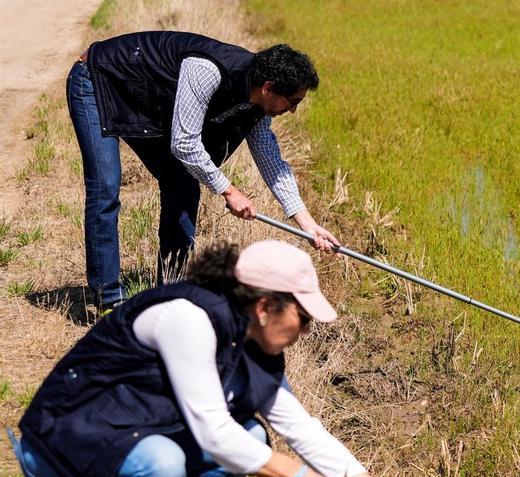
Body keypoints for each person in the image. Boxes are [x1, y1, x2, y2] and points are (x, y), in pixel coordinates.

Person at [12, 240, 439, 477]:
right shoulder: (188, 318)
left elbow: (303, 431)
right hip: (61, 448)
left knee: (251, 438)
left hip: (124, 434)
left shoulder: (251, 344)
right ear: (265, 306)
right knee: (166, 462)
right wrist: (298, 476)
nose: (305, 331)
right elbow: (213, 431)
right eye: (303, 317)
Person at [67, 30, 341, 314]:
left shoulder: (258, 104)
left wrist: (308, 224)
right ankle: (108, 299)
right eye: (293, 101)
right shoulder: (207, 69)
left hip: (142, 99)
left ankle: (172, 293)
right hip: (97, 81)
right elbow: (184, 143)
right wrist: (229, 190)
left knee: (183, 183)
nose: (294, 110)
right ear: (269, 87)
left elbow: (271, 160)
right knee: (106, 187)